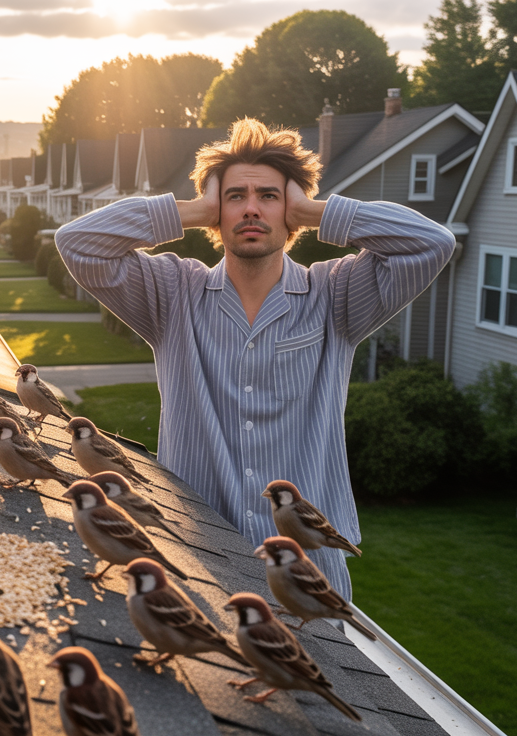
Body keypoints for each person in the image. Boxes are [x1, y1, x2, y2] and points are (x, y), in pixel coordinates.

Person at [55, 118, 454, 598]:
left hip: (307, 570)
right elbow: (78, 243)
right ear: (214, 215)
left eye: (269, 196)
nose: (251, 209)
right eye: (234, 197)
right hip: (197, 557)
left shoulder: (336, 295)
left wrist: (317, 211)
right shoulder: (172, 294)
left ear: (293, 212)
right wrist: (190, 209)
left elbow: (433, 243)